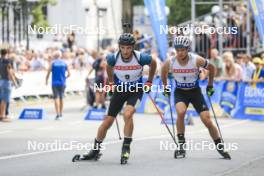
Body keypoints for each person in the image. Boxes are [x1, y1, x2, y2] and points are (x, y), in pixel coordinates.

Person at [73, 33, 157, 164]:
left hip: (136, 91)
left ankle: (126, 146)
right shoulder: (113, 58)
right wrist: (111, 83)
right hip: (120, 91)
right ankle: (94, 151)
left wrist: (150, 81)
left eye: (128, 48)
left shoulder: (141, 57)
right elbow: (108, 67)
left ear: (132, 47)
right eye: (123, 48)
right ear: (119, 47)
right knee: (107, 122)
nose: (125, 51)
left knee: (128, 114)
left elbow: (154, 63)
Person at [161, 36, 231, 159]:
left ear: (188, 49)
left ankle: (219, 145)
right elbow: (163, 71)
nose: (180, 53)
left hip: (195, 92)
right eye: (178, 50)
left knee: (207, 120)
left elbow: (212, 68)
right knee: (181, 112)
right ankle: (181, 145)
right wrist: (166, 87)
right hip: (180, 92)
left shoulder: (196, 60)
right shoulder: (171, 61)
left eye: (183, 50)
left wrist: (210, 85)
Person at [45, 50, 70, 120]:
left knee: (56, 98)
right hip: (62, 82)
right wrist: (64, 78)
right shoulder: (64, 63)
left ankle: (57, 114)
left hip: (54, 83)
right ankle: (61, 113)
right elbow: (69, 74)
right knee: (61, 98)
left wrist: (46, 80)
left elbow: (48, 72)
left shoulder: (52, 63)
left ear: (54, 56)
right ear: (60, 56)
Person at [0, 48, 17, 122]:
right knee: (4, 100)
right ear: (7, 53)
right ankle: (2, 116)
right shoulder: (7, 61)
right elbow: (10, 72)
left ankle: (2, 115)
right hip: (7, 81)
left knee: (2, 99)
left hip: (1, 80)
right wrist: (14, 82)